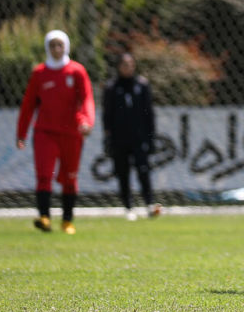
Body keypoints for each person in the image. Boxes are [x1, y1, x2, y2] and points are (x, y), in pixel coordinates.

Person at [15, 30, 95, 234]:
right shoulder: (39, 73)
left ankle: (67, 221)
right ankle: (44, 218)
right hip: (45, 132)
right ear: (47, 48)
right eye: (52, 45)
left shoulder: (77, 71)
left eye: (60, 45)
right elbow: (28, 105)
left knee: (70, 177)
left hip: (71, 133)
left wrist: (87, 121)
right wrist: (21, 132)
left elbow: (86, 99)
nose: (57, 49)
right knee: (44, 174)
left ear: (66, 47)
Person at [103, 52, 161, 221]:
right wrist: (108, 137)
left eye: (130, 64)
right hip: (119, 138)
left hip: (139, 137)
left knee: (143, 170)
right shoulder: (111, 87)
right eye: (124, 65)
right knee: (123, 172)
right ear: (119, 66)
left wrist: (150, 137)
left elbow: (149, 113)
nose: (127, 68)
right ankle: (128, 207)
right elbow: (107, 115)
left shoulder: (142, 85)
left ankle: (149, 204)